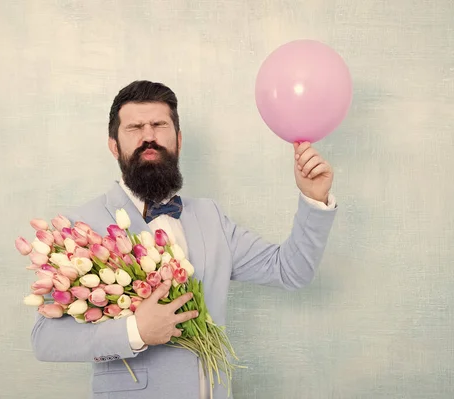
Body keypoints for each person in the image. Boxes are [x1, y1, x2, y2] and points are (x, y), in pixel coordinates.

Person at [31, 80, 338, 399]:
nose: (148, 135)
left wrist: (313, 200)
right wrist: (135, 332)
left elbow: (291, 271)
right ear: (113, 145)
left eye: (159, 125)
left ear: (178, 140)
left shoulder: (210, 216)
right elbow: (45, 338)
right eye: (135, 127)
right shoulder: (79, 228)